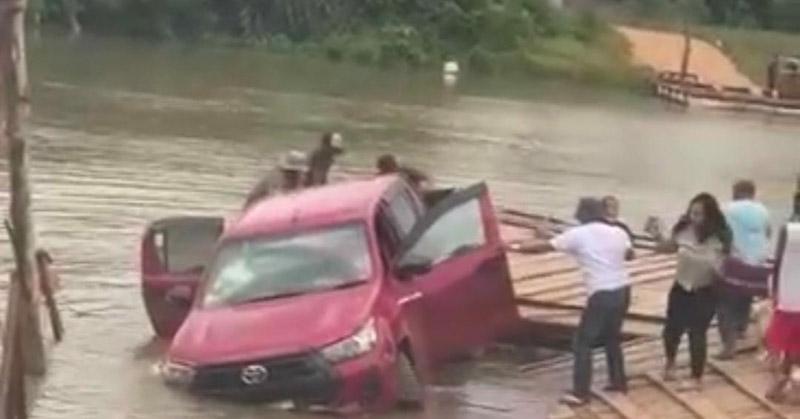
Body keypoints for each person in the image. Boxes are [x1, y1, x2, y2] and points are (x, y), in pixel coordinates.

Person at [510, 198, 632, 406]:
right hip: (623, 289)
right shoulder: (619, 232)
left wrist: (516, 246)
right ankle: (618, 382)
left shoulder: (579, 234)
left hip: (600, 292)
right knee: (612, 338)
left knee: (582, 342)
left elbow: (543, 246)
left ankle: (580, 393)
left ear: (583, 215)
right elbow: (630, 255)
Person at [648, 193, 732, 390]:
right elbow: (667, 247)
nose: (694, 218)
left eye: (699, 214)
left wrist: (721, 270)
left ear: (709, 216)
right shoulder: (684, 229)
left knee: (697, 333)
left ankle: (696, 377)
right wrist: (656, 234)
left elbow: (725, 266)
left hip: (705, 290)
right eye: (692, 212)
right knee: (672, 329)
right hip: (681, 285)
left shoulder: (719, 237)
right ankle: (670, 364)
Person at [717, 180, 771, 359]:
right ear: (753, 193)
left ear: (735, 191)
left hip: (736, 264)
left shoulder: (727, 209)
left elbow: (718, 235)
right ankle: (741, 328)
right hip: (759, 268)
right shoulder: (763, 210)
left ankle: (729, 346)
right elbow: (768, 233)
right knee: (745, 295)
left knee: (724, 304)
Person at [764, 221, 800, 402]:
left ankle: (778, 383)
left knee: (777, 344)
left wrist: (773, 292)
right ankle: (790, 387)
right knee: (795, 347)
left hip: (787, 299)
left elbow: (774, 263)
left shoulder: (787, 229)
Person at [243, 150, 307, 209]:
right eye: (289, 173)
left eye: (295, 173)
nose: (291, 176)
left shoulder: (302, 183)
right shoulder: (274, 181)